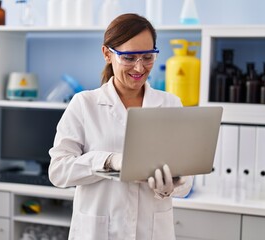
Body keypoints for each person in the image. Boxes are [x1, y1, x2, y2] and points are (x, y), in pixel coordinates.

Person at [48, 13, 194, 240]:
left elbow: (186, 180)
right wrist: (108, 161)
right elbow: (58, 171)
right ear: (107, 54)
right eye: (129, 58)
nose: (139, 67)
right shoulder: (85, 103)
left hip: (152, 231)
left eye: (148, 57)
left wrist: (170, 186)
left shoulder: (170, 104)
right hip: (98, 232)